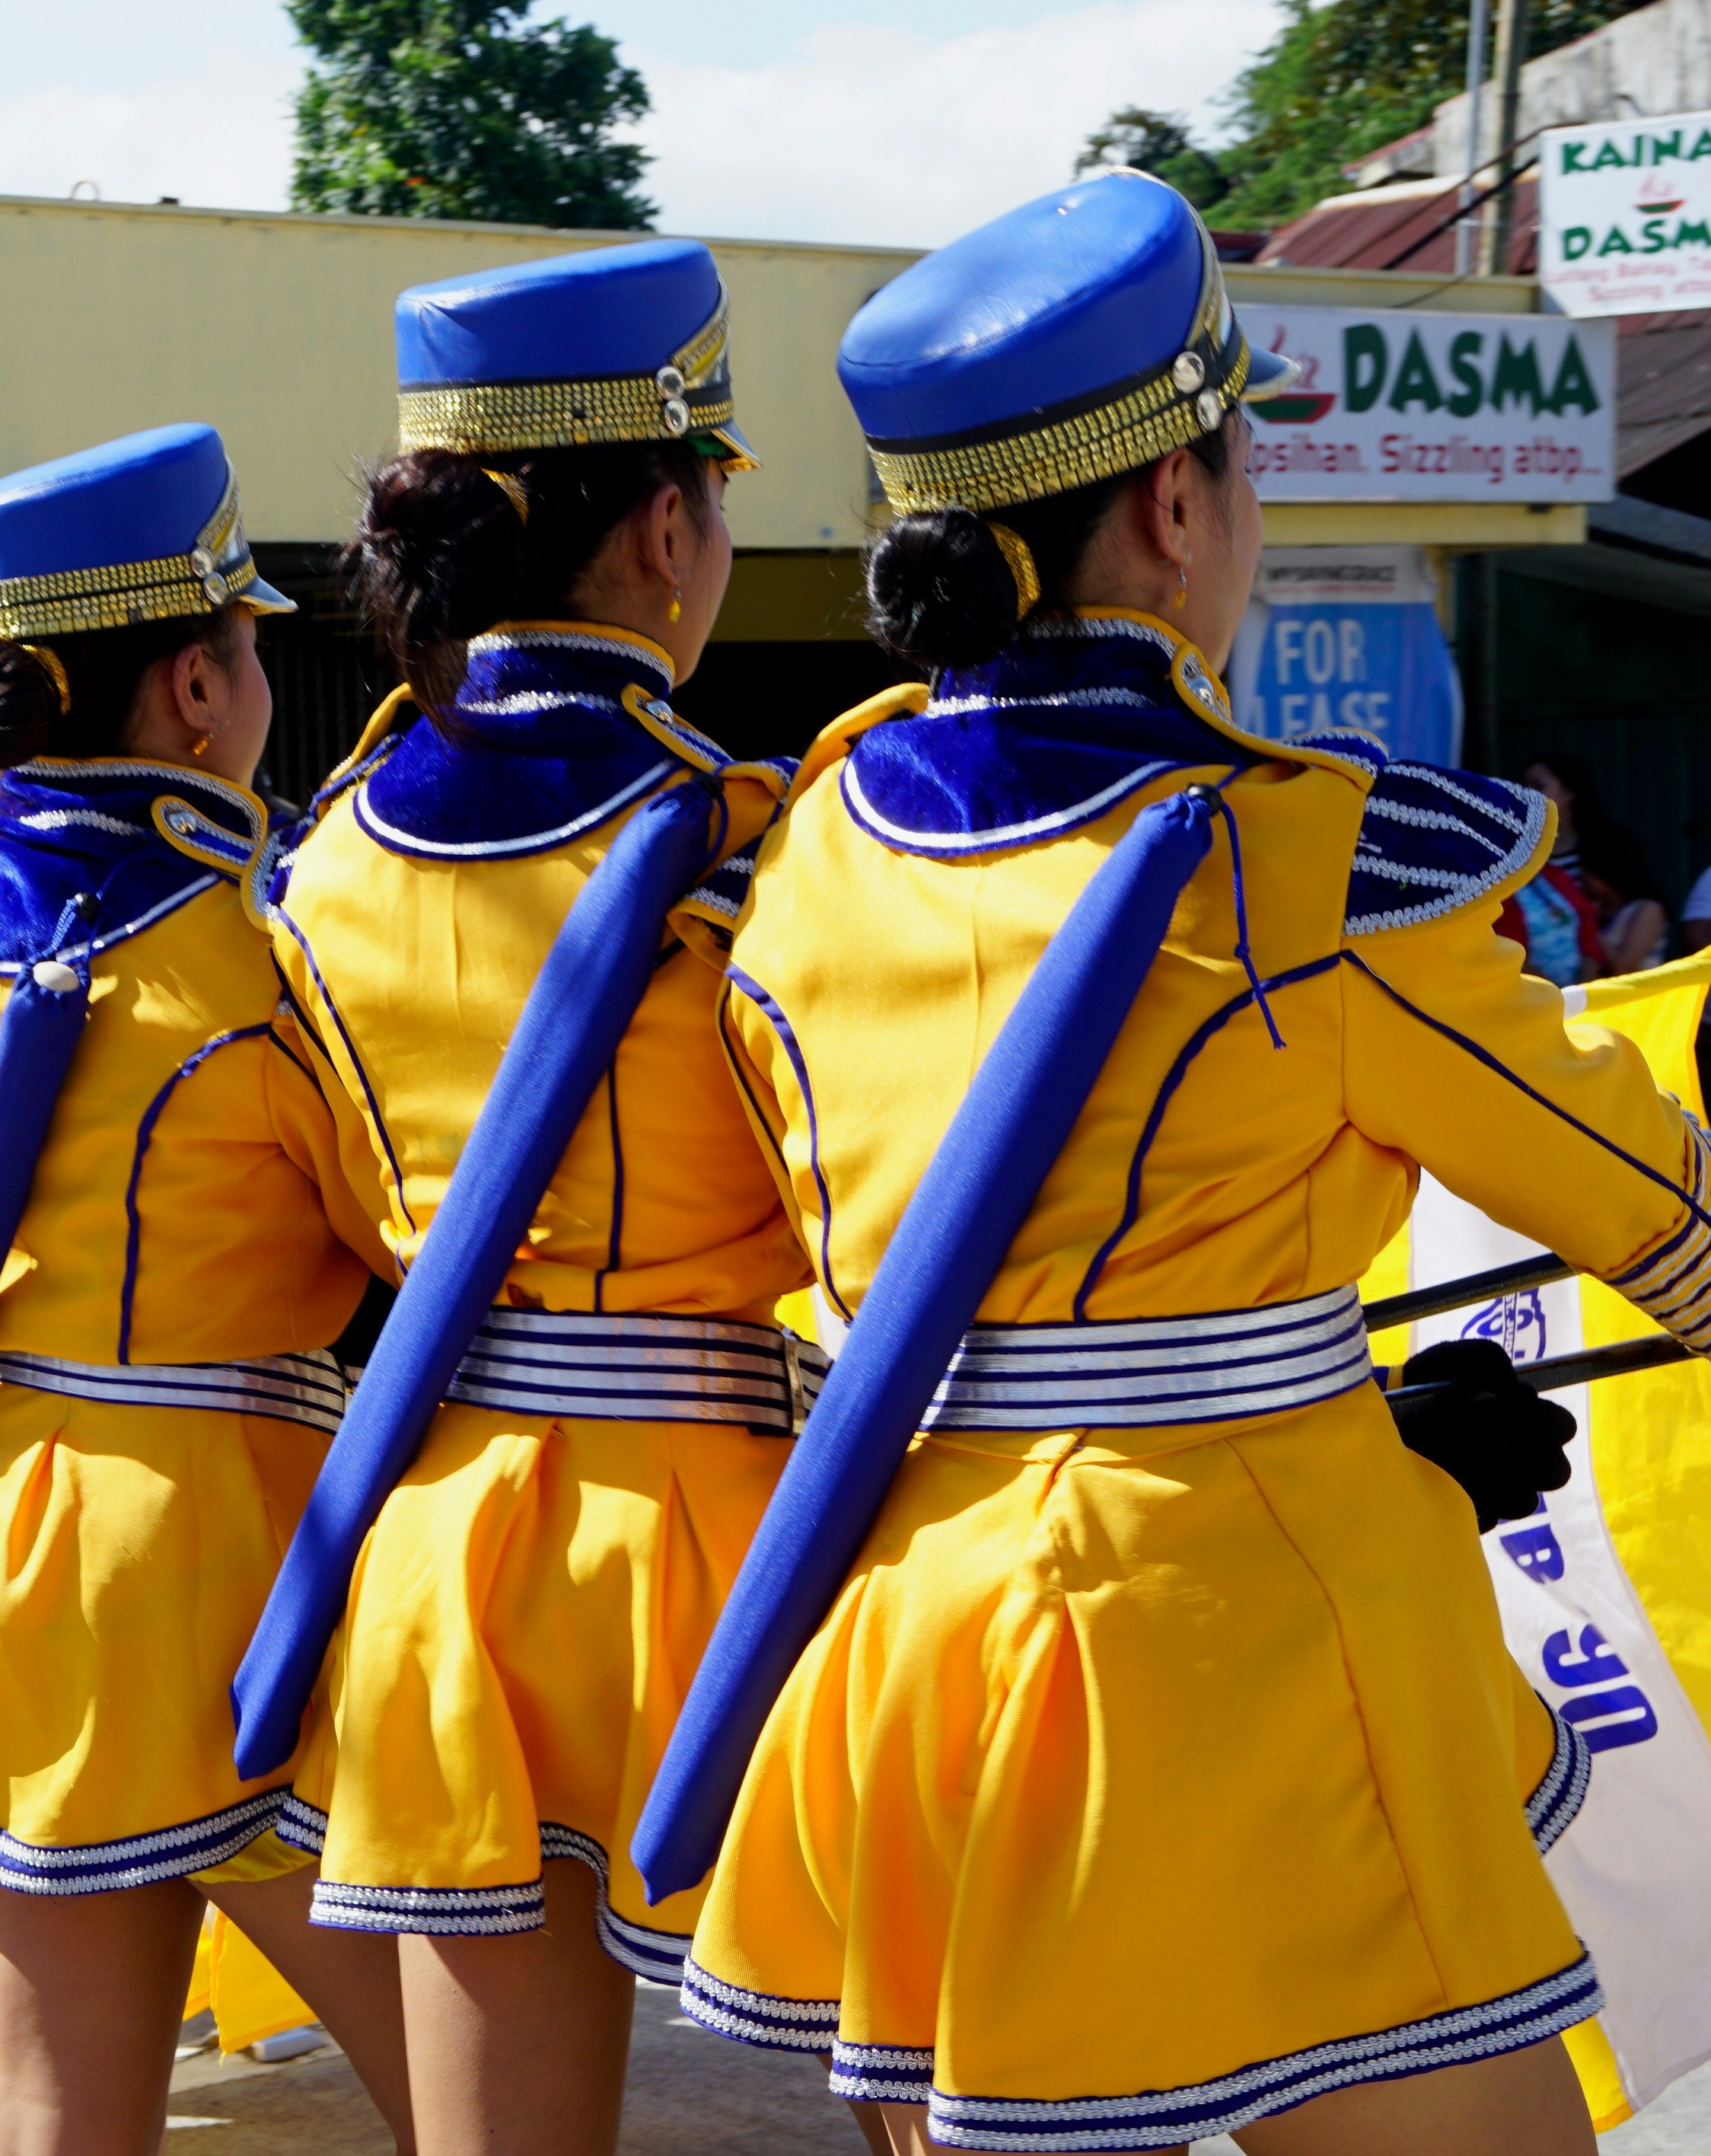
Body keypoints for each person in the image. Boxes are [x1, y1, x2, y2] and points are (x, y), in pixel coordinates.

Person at [677, 171, 1686, 2154]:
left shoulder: (794, 860)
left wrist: (1336, 1401)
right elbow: (1658, 1214)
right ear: (1169, 507)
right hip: (1271, 1667)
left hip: (916, 1635)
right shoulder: (1318, 862)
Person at [236, 240, 817, 2152]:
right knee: (941, 2094)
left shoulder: (316, 862)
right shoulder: (744, 837)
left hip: (431, 1548)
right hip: (734, 1548)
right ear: (664, 526)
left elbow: (328, 1207)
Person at [0, 424, 415, 2154]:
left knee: (60, 2119)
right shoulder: (262, 933)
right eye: (240, 646)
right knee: (471, 2099)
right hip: (221, 1548)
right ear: (195, 693)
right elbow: (403, 1237)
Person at [1521, 754, 1664, 974]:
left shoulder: (1599, 848)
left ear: (1570, 793)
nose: (1527, 794)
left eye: (1539, 786)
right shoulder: (1519, 858)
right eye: (1524, 786)